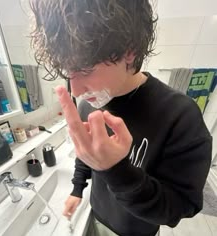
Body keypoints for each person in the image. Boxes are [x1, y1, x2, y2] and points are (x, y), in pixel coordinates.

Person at [29, 1, 212, 235]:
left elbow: (181, 207)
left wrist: (117, 170)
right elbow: (87, 156)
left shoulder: (180, 115)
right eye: (68, 73)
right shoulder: (87, 105)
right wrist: (77, 189)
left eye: (84, 70)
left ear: (129, 51)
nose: (75, 91)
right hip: (97, 217)